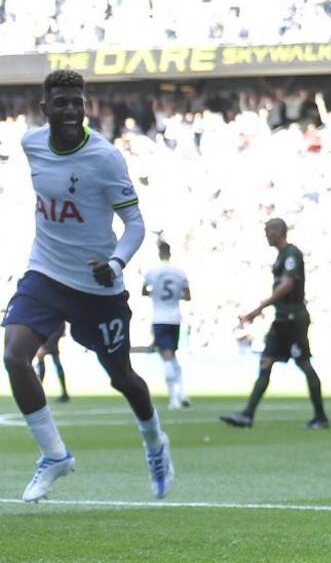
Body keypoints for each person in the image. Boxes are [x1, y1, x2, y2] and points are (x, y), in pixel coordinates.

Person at [2, 70, 173, 502]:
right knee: (15, 355)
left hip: (97, 286)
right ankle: (55, 455)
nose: (71, 110)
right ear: (45, 108)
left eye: (77, 102)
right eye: (61, 102)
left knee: (123, 379)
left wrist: (115, 262)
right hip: (44, 271)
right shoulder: (31, 144)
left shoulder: (105, 158)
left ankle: (155, 443)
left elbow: (134, 224)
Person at [219, 219, 328, 430]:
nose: (266, 234)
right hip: (281, 320)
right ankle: (247, 415)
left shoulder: (291, 254)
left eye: (269, 230)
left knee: (304, 364)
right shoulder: (281, 256)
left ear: (280, 231)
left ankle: (321, 416)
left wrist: (260, 308)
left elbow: (287, 285)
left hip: (293, 319)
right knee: (265, 363)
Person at [141, 241, 191, 410]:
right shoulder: (180, 272)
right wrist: (176, 296)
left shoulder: (152, 272)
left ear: (158, 252)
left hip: (159, 318)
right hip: (175, 318)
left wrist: (155, 294)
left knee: (167, 358)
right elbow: (188, 296)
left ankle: (174, 399)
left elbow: (144, 291)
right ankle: (182, 392)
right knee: (173, 356)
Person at [33, 323, 69, 404]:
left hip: (51, 336)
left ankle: (38, 393)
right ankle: (39, 393)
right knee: (51, 362)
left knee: (45, 359)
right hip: (48, 335)